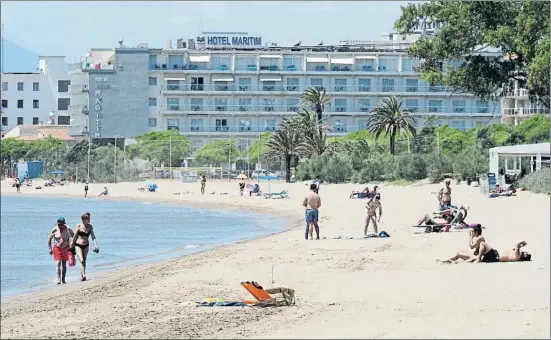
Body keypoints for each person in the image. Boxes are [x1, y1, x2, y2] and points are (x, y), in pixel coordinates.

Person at [70, 212, 99, 281]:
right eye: (87, 219)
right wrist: (72, 245)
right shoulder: (79, 226)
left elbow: (93, 236)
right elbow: (75, 236)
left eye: (89, 218)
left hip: (86, 245)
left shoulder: (90, 226)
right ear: (83, 219)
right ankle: (84, 275)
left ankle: (82, 276)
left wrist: (96, 245)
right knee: (81, 260)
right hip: (78, 245)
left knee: (84, 261)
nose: (89, 220)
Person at [47, 217, 75, 284]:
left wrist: (72, 245)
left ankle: (63, 279)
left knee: (64, 264)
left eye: (61, 225)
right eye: (59, 224)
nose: (60, 226)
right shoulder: (55, 229)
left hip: (65, 248)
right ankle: (58, 279)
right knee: (58, 263)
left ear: (64, 224)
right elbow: (49, 238)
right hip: (57, 248)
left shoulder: (68, 229)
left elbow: (74, 236)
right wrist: (50, 248)